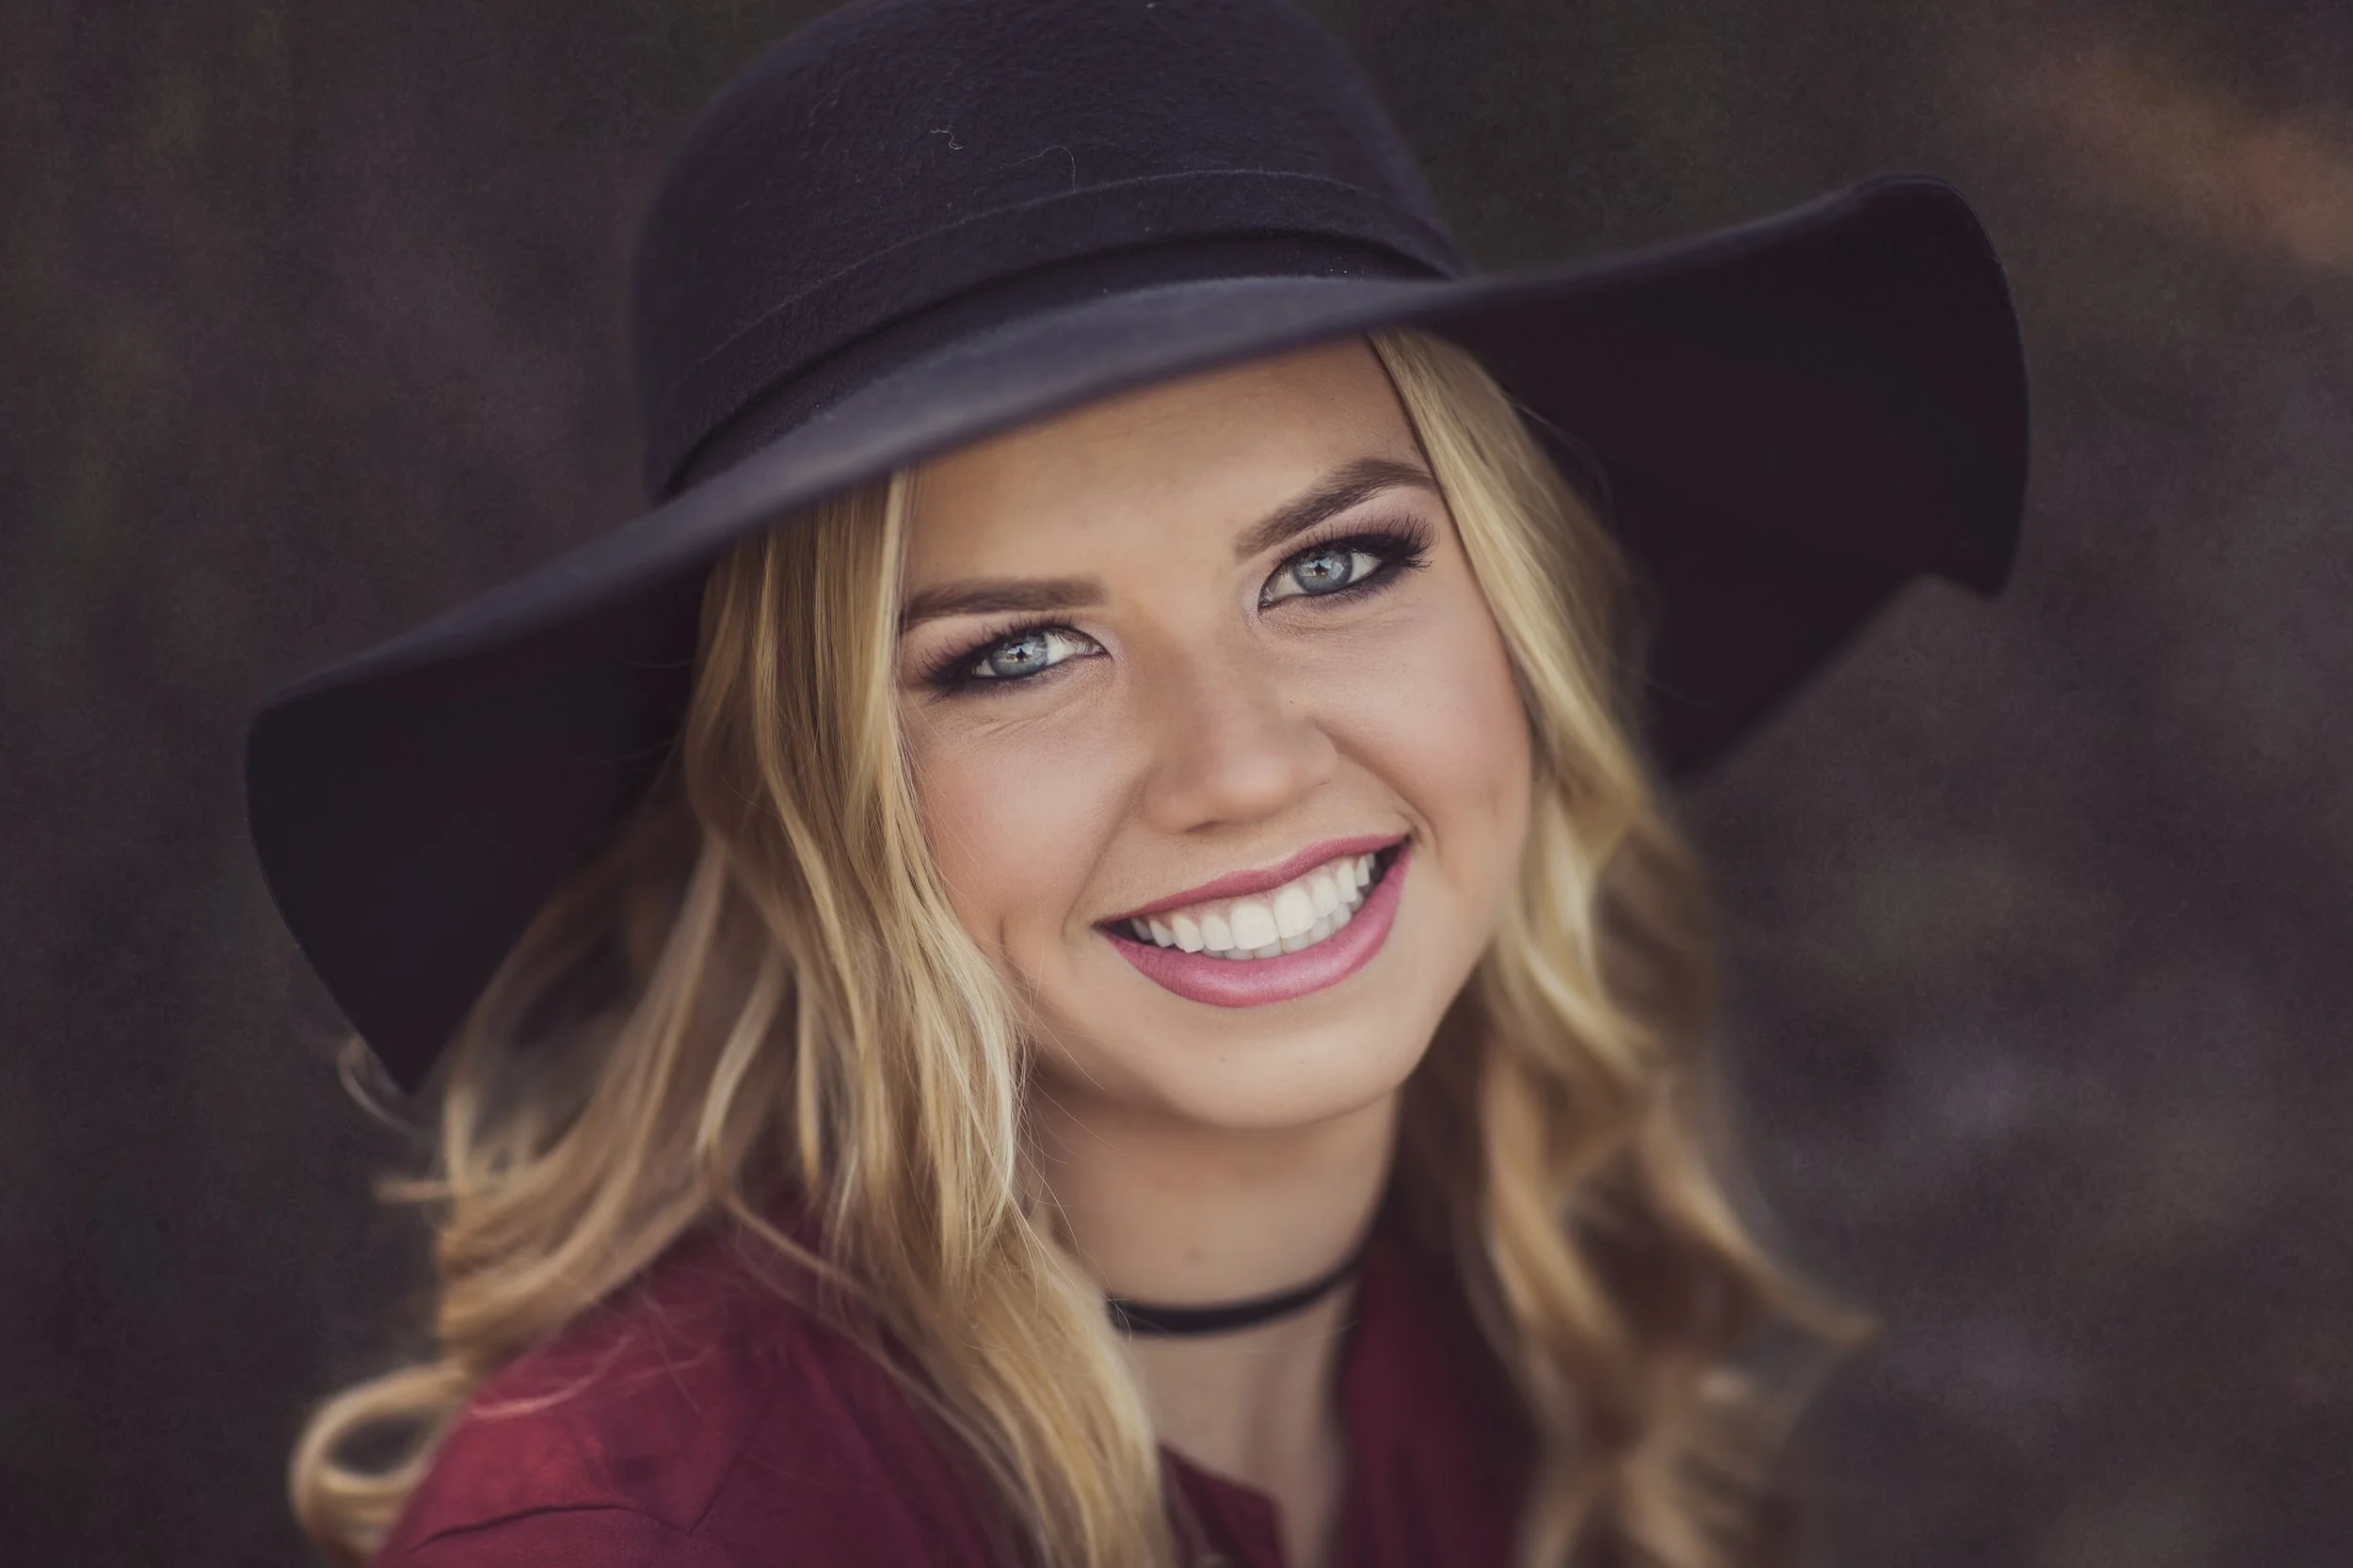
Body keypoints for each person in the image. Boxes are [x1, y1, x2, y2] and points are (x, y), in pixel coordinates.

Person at [245, 2, 2026, 1565]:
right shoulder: (636, 1534)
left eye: (1334, 566)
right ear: (813, 793)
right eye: (1017, 654)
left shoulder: (1500, 1346)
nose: (1242, 766)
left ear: (1520, 608)